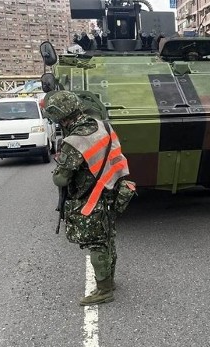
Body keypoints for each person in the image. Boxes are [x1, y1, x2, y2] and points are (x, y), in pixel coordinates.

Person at [44, 90, 136, 306]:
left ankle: (104, 291)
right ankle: (109, 281)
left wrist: (59, 167)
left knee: (96, 244)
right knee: (108, 238)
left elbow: (61, 180)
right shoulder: (103, 125)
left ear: (62, 117)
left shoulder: (75, 140)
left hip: (92, 196)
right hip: (113, 188)